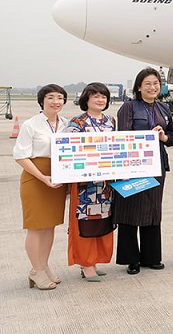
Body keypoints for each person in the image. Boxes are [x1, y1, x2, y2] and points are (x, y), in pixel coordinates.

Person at [115, 67, 173, 274]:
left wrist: (163, 137)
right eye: (147, 84)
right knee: (131, 209)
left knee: (152, 209)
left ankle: (151, 257)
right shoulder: (129, 107)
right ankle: (131, 259)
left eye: (156, 83)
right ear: (139, 87)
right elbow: (123, 137)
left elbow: (172, 136)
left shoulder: (163, 108)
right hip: (133, 166)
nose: (152, 87)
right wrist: (145, 136)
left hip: (157, 165)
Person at [13, 84, 69, 290]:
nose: (56, 101)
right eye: (51, 97)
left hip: (57, 178)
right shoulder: (31, 124)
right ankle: (36, 270)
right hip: (35, 177)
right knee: (36, 226)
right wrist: (42, 177)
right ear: (42, 101)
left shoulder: (66, 124)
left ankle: (43, 266)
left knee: (50, 225)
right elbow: (20, 156)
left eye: (60, 98)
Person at [64, 82, 116, 281]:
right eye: (96, 96)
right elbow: (66, 148)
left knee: (102, 222)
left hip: (105, 185)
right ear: (86, 99)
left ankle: (94, 260)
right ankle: (86, 264)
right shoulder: (77, 122)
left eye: (103, 96)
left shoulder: (111, 121)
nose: (100, 100)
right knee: (85, 223)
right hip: (85, 185)